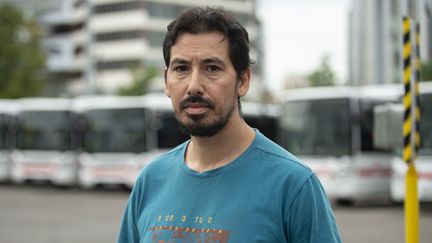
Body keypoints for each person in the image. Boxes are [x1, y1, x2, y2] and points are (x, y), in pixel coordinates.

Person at [117, 7, 342, 243]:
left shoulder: (294, 185)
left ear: (243, 81)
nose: (193, 85)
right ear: (166, 81)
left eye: (212, 68)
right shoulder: (151, 180)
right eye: (181, 68)